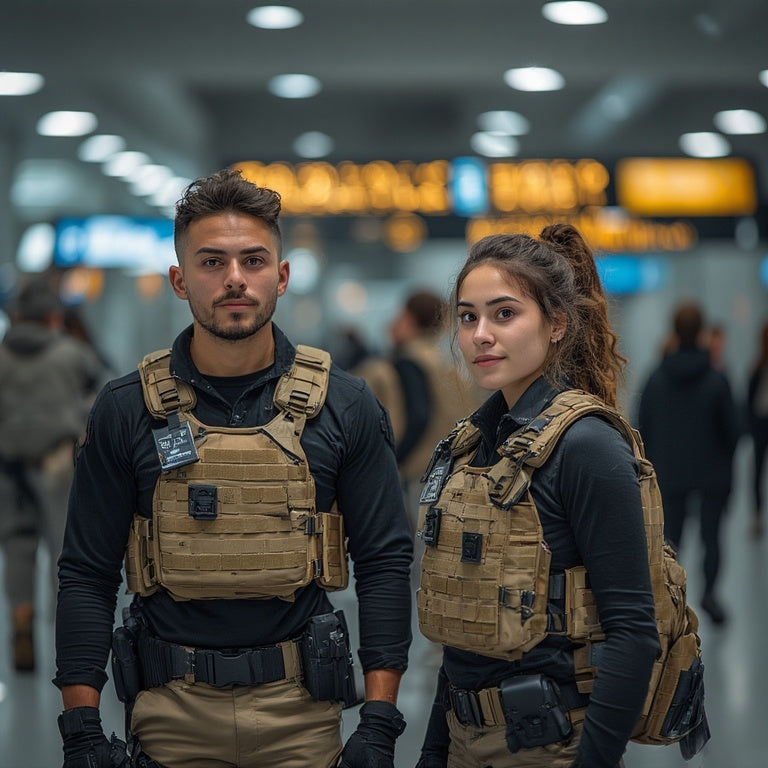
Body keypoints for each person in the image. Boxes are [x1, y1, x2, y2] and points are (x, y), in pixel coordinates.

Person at [53, 168, 413, 768]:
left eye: (253, 260)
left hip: (301, 712)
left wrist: (379, 723)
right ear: (179, 279)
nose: (235, 280)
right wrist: (80, 728)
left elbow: (384, 562)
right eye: (212, 262)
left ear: (283, 275)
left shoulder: (345, 405)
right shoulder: (125, 409)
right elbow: (87, 573)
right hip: (171, 713)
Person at [414, 225, 660, 768]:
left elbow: (634, 634)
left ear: (556, 325)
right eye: (468, 316)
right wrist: (434, 752)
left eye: (504, 314)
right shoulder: (473, 444)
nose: (480, 334)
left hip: (550, 747)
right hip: (463, 739)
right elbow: (465, 623)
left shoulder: (587, 445)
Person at [0, 278, 104, 672]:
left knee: (17, 547)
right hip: (58, 464)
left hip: (7, 466)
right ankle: (67, 640)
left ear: (17, 315)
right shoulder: (71, 353)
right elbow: (101, 393)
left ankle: (21, 622)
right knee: (64, 554)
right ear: (54, 316)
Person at [638, 301, 740, 624]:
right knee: (712, 537)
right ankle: (710, 594)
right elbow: (733, 431)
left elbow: (642, 427)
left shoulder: (656, 378)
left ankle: (670, 599)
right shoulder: (716, 379)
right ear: (701, 333)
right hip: (711, 476)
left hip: (670, 474)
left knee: (671, 541)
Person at [353, 291, 477, 531]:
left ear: (409, 319)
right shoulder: (443, 361)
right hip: (449, 463)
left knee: (417, 543)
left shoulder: (409, 361)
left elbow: (419, 414)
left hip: (420, 466)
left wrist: (396, 459)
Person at [746, 320, 768, 538]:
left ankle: (758, 514)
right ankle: (757, 513)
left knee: (757, 471)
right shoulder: (757, 370)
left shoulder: (756, 369)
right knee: (757, 470)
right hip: (761, 425)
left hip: (760, 424)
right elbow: (750, 403)